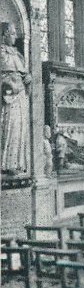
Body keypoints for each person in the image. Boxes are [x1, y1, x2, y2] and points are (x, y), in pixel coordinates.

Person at [1, 21, 31, 175]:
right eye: (12, 33)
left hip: (20, 97)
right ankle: (6, 164)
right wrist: (10, 82)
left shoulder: (18, 54)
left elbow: (24, 73)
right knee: (9, 128)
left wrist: (28, 79)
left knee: (20, 129)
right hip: (8, 98)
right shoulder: (1, 53)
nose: (15, 37)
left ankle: (17, 163)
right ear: (4, 35)